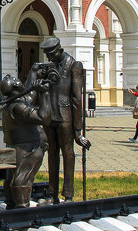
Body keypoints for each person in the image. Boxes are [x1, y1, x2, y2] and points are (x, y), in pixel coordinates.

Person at [25, 37, 90, 202]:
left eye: (51, 54)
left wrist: (78, 131)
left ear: (59, 50)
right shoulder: (48, 67)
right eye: (46, 54)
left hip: (65, 117)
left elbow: (77, 98)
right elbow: (34, 92)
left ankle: (68, 194)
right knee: (52, 153)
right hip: (49, 116)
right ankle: (52, 193)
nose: (48, 58)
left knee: (68, 153)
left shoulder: (74, 66)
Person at [0, 75, 48, 207]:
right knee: (23, 177)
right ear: (16, 86)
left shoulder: (10, 103)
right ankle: (22, 207)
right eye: (16, 79)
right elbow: (42, 116)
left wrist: (34, 73)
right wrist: (45, 94)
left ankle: (12, 204)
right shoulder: (18, 107)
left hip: (17, 146)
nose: (19, 79)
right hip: (27, 149)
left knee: (13, 176)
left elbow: (28, 97)